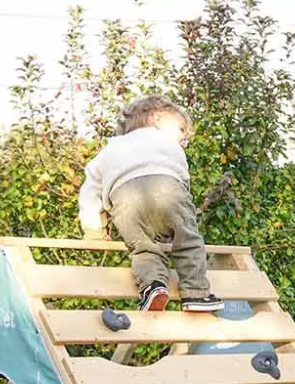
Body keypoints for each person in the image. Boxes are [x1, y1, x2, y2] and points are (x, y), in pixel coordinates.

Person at [78, 95, 224, 317]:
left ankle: (153, 287)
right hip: (168, 186)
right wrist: (174, 220)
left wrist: (93, 228)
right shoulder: (164, 141)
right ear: (157, 119)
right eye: (182, 130)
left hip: (123, 201)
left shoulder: (112, 147)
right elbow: (182, 182)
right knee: (187, 241)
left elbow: (90, 188)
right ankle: (195, 293)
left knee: (143, 248)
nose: (185, 140)